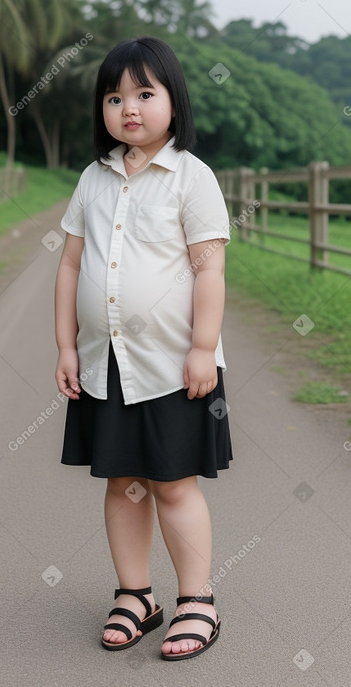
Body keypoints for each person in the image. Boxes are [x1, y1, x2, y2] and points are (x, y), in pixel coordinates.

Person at [54, 36, 232, 661]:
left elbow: (208, 269)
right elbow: (71, 266)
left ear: (172, 101)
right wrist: (66, 348)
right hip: (106, 367)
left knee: (174, 484)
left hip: (172, 365)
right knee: (123, 483)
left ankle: (197, 601)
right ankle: (136, 595)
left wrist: (202, 347)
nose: (128, 108)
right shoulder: (93, 179)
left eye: (143, 94)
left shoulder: (191, 176)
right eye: (114, 96)